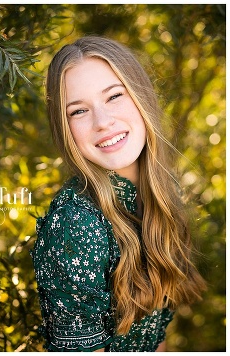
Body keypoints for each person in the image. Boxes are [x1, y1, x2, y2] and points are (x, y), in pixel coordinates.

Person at [31, 36, 206, 352]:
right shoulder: (75, 221)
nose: (103, 122)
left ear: (141, 97)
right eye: (79, 111)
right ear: (64, 127)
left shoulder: (163, 191)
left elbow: (156, 340)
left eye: (113, 96)